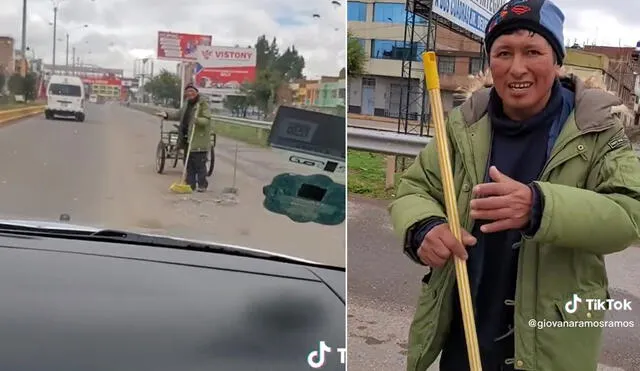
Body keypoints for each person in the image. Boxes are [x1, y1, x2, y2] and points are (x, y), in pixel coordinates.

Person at [388, 1, 640, 370]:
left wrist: (540, 207)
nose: (517, 67)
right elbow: (414, 188)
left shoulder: (596, 128)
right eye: (503, 52)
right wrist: (424, 227)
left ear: (556, 60)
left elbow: (630, 212)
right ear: (491, 61)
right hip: (466, 334)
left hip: (552, 342)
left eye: (533, 51)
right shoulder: (466, 123)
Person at [158, 83, 213, 192]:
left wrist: (197, 120)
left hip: (198, 139)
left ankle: (202, 185)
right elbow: (178, 115)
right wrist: (167, 115)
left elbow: (207, 119)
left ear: (196, 92)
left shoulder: (202, 104)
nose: (190, 94)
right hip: (187, 138)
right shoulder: (187, 104)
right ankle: (190, 184)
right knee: (188, 164)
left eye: (192, 91)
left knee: (199, 164)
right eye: (188, 92)